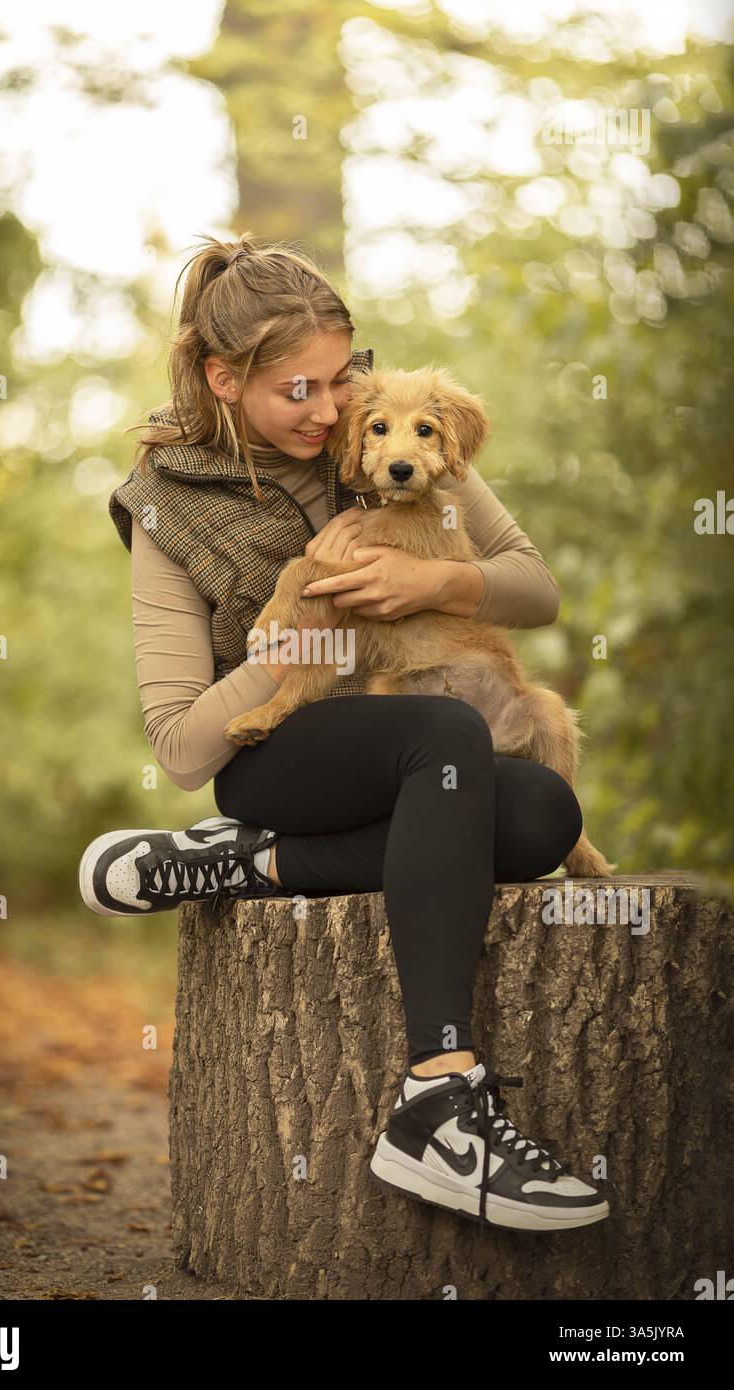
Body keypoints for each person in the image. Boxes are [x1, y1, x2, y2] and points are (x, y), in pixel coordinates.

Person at [78, 232, 609, 1231]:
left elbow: (531, 584)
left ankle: (250, 869)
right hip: (282, 757)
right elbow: (183, 746)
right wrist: (301, 626)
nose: (328, 415)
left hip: (413, 733)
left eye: (337, 383)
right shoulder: (163, 508)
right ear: (221, 377)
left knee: (539, 811)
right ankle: (439, 1102)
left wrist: (434, 579)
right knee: (445, 736)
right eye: (298, 393)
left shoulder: (385, 422)